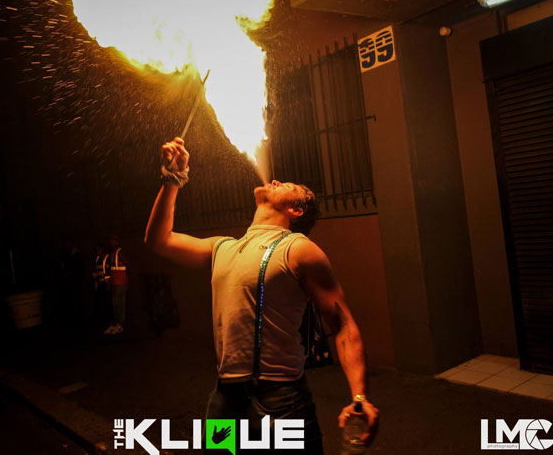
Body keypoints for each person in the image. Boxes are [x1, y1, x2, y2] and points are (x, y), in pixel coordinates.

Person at [145, 137, 378, 453]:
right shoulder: (222, 247)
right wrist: (173, 179)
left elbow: (343, 325)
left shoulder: (298, 249)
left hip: (280, 401)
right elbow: (158, 240)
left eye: (289, 186)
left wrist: (359, 397)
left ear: (295, 210)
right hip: (225, 400)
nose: (277, 181)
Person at [104, 234, 129, 335]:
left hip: (121, 282)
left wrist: (124, 277)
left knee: (119, 304)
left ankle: (120, 325)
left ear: (117, 242)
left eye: (113, 240)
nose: (111, 242)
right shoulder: (112, 253)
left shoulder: (120, 252)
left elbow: (127, 265)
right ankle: (115, 323)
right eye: (110, 240)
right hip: (115, 282)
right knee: (115, 304)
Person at [92, 243, 113, 330]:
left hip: (105, 284)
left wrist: (108, 284)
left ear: (102, 249)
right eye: (96, 249)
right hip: (99, 284)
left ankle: (108, 322)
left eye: (99, 249)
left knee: (106, 303)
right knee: (100, 303)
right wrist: (96, 281)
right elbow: (96, 270)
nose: (97, 251)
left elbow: (109, 272)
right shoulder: (97, 258)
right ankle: (101, 322)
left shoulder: (107, 258)